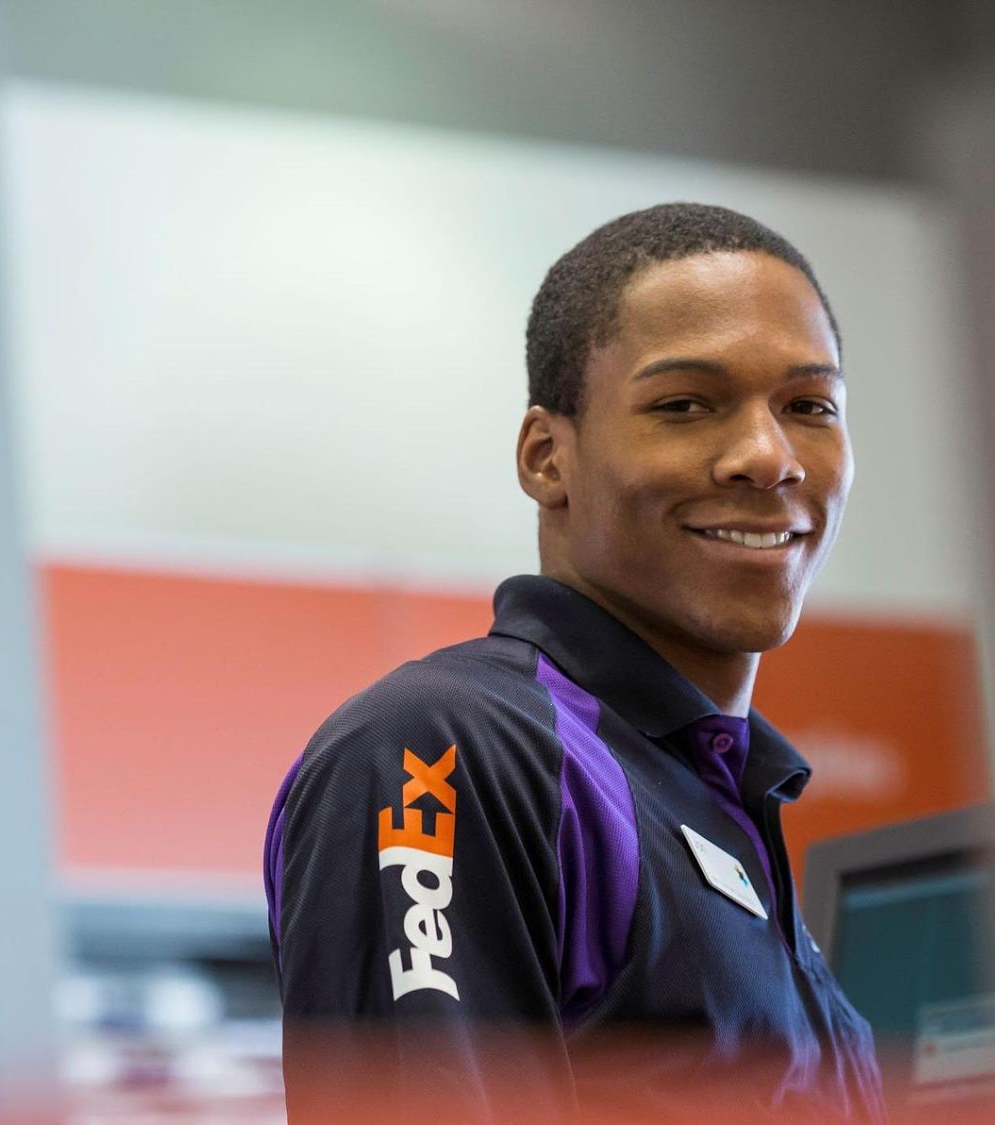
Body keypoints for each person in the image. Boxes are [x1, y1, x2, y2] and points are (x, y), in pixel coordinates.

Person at [263, 202, 885, 1122]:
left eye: (809, 407)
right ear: (547, 457)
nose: (768, 457)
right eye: (684, 404)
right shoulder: (445, 745)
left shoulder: (720, 789)